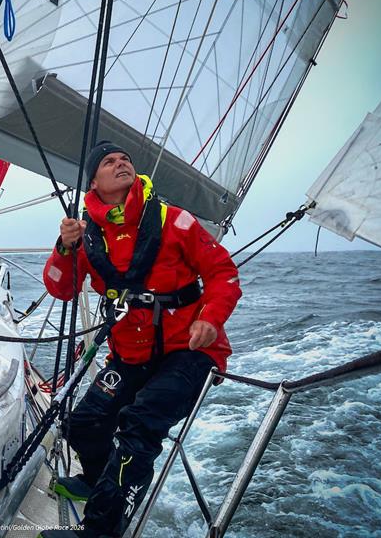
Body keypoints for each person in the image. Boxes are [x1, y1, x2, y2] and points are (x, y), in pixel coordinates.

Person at [39, 141, 242, 538]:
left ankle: (102, 530)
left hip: (190, 353)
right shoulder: (86, 234)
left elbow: (224, 274)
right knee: (84, 423)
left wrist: (211, 319)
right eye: (110, 162)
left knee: (140, 426)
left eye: (125, 160)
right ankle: (99, 483)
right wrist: (65, 247)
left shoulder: (174, 221)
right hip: (130, 354)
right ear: (93, 181)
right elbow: (60, 289)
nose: (121, 165)